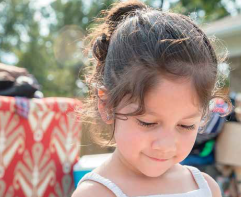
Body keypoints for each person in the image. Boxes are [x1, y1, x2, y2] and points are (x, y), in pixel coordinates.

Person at [73, 1, 232, 197]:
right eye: (147, 122)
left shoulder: (206, 187)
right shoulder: (97, 193)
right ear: (107, 105)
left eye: (186, 126)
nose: (166, 145)